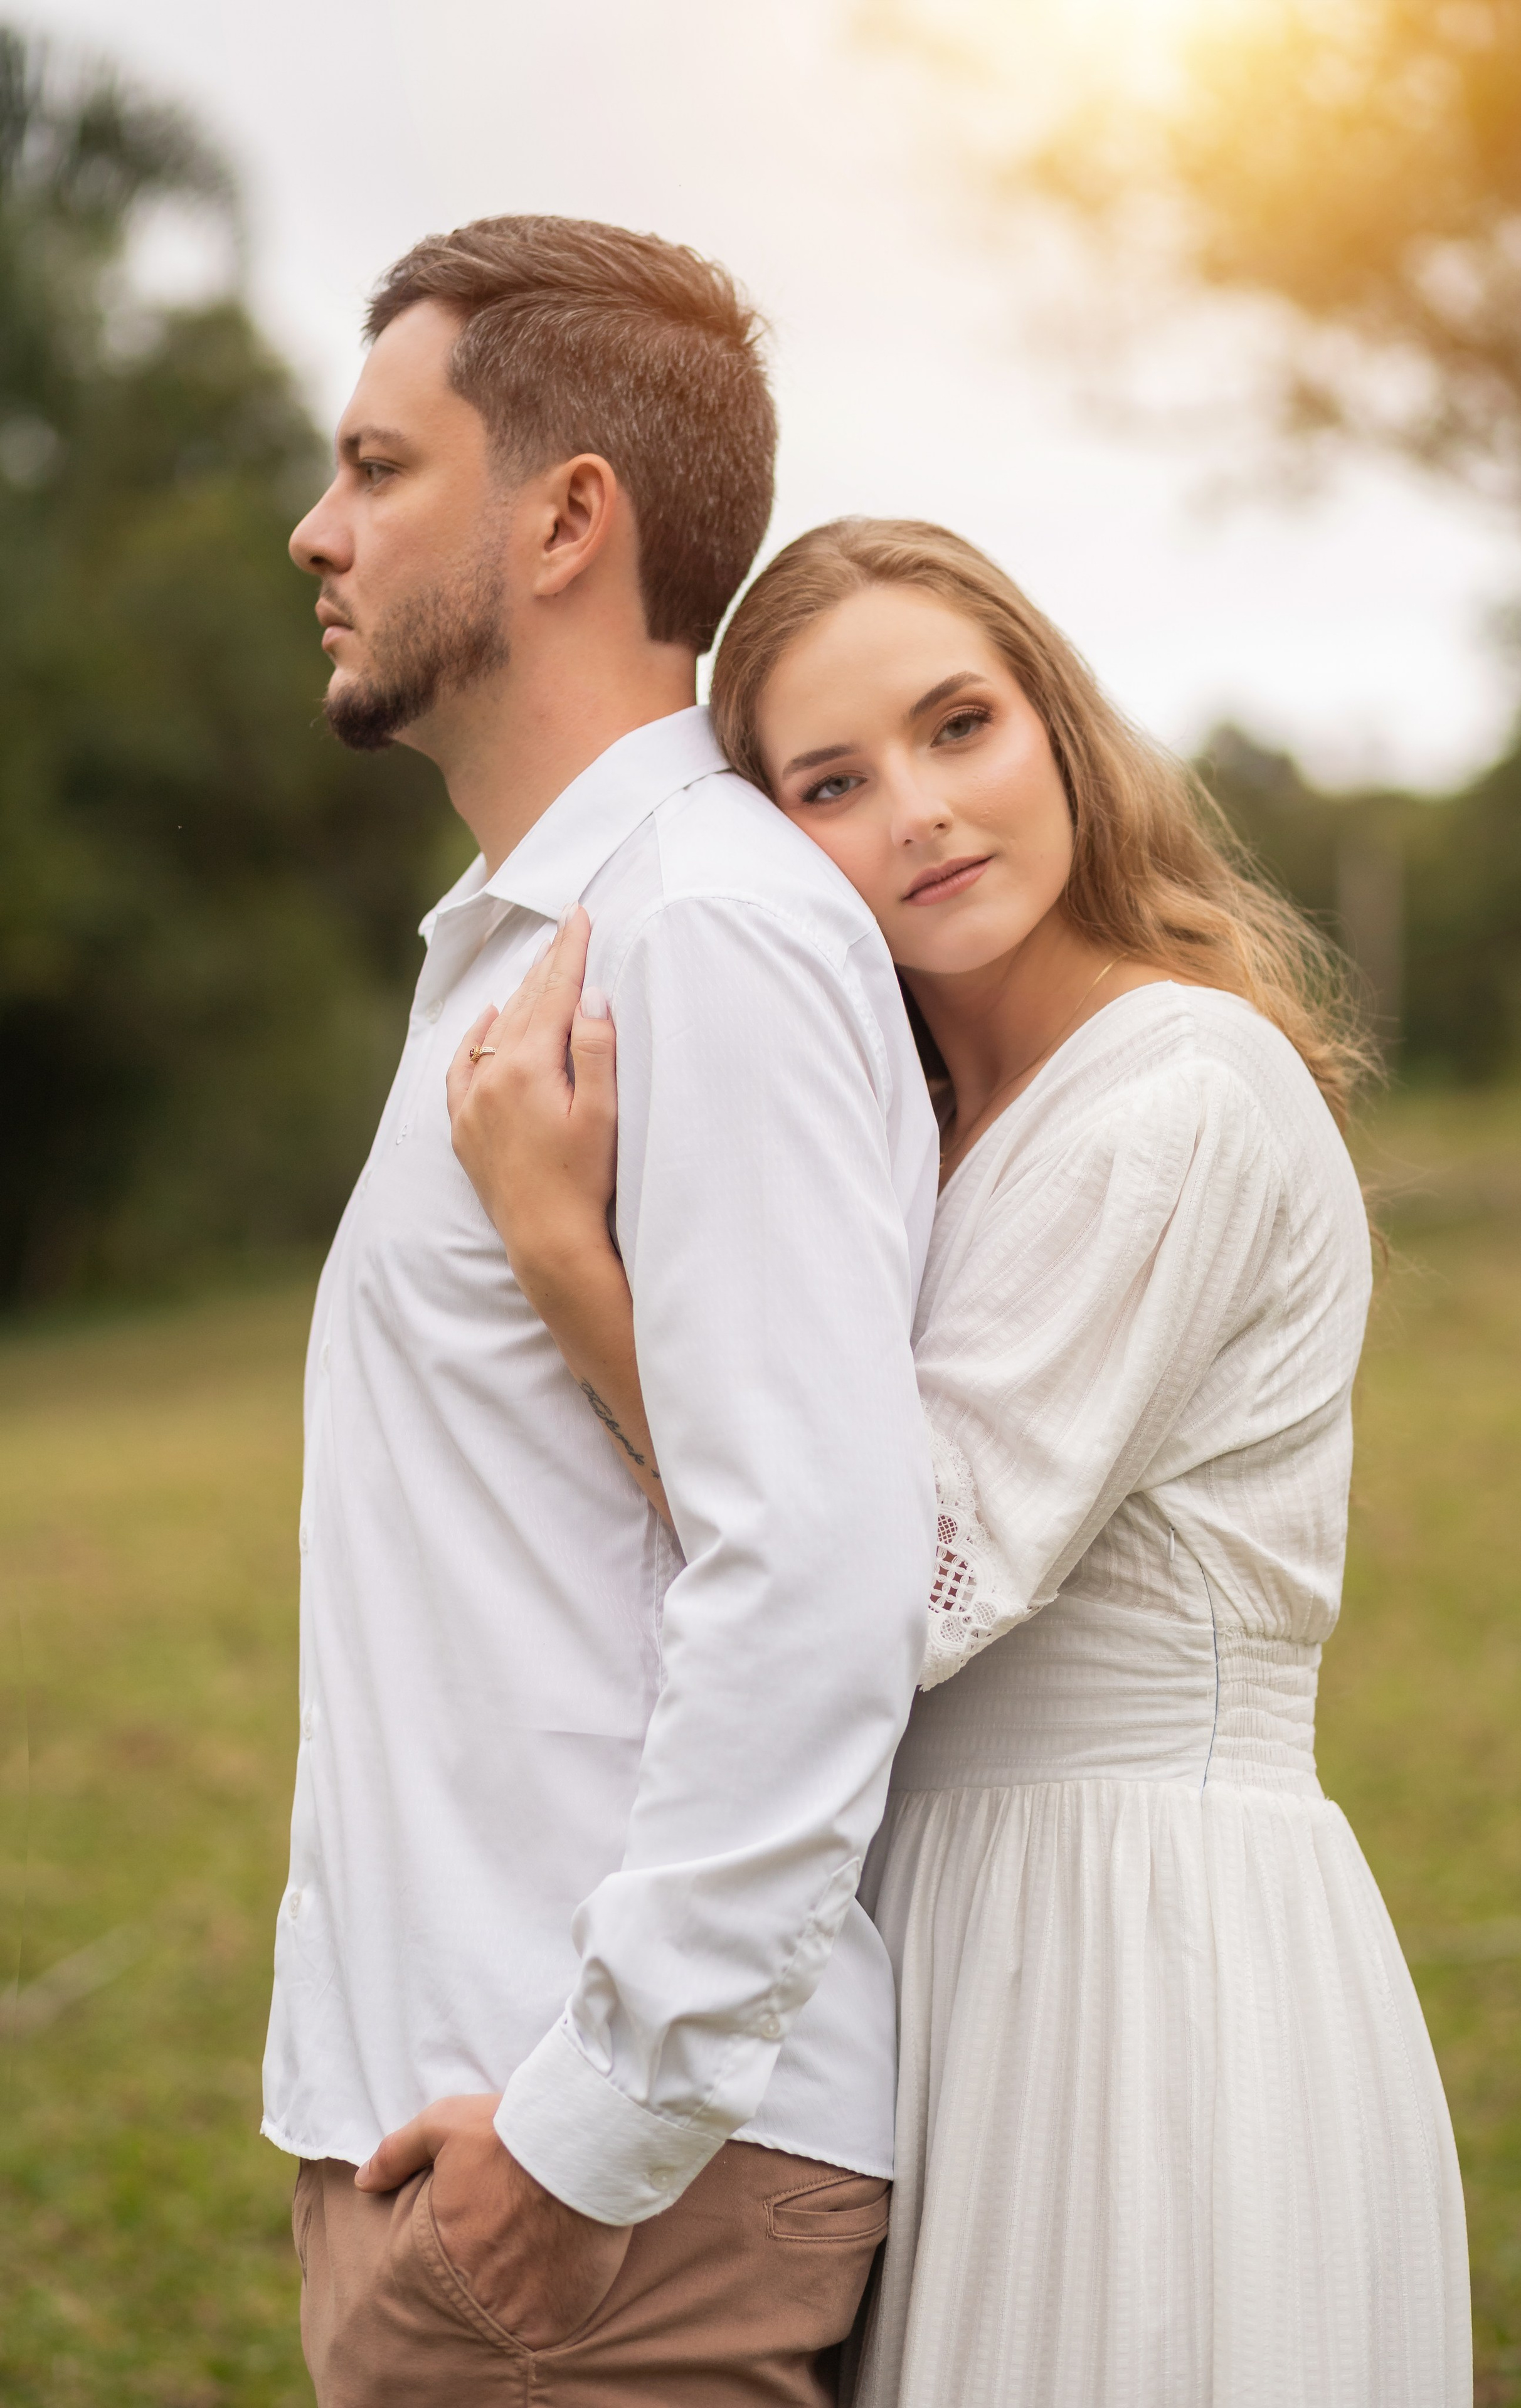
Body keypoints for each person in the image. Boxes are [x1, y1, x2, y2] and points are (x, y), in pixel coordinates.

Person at [452, 519, 1475, 2407]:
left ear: (1059, 730)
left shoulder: (1175, 1092)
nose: (918, 811)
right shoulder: (917, 1129)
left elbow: (904, 1576)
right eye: (834, 783)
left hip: (1141, 1936)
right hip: (938, 1921)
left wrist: (565, 1260)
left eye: (959, 727)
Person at [268, 224, 943, 2408]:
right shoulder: (516, 944)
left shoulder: (708, 934)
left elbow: (822, 1573)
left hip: (612, 2200)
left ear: (569, 518)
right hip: (462, 2141)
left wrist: (585, 2140)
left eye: (379, 466)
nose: (318, 527)